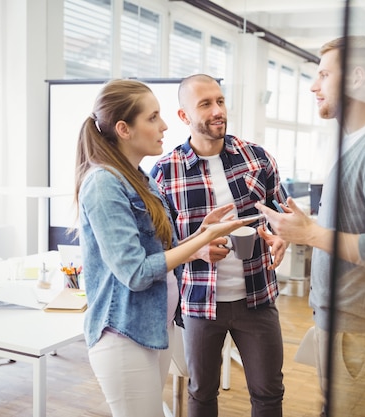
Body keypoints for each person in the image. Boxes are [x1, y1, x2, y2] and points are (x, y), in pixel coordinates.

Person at [256, 36, 365, 417]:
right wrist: (301, 229)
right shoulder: (360, 143)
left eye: (323, 74)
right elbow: (359, 225)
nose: (314, 86)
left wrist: (311, 235)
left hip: (361, 331)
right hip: (345, 325)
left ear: (356, 78)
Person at [73, 79, 252, 417]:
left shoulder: (141, 179)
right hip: (123, 333)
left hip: (156, 325)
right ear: (124, 129)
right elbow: (136, 273)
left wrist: (197, 239)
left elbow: (158, 254)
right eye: (153, 117)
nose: (165, 125)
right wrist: (201, 240)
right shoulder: (103, 184)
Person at [150, 74, 287, 417]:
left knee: (269, 393)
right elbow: (156, 244)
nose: (217, 111)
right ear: (184, 117)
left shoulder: (257, 157)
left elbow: (283, 213)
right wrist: (195, 247)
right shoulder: (165, 172)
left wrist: (283, 234)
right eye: (205, 104)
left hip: (257, 298)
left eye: (220, 101)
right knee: (201, 394)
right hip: (198, 303)